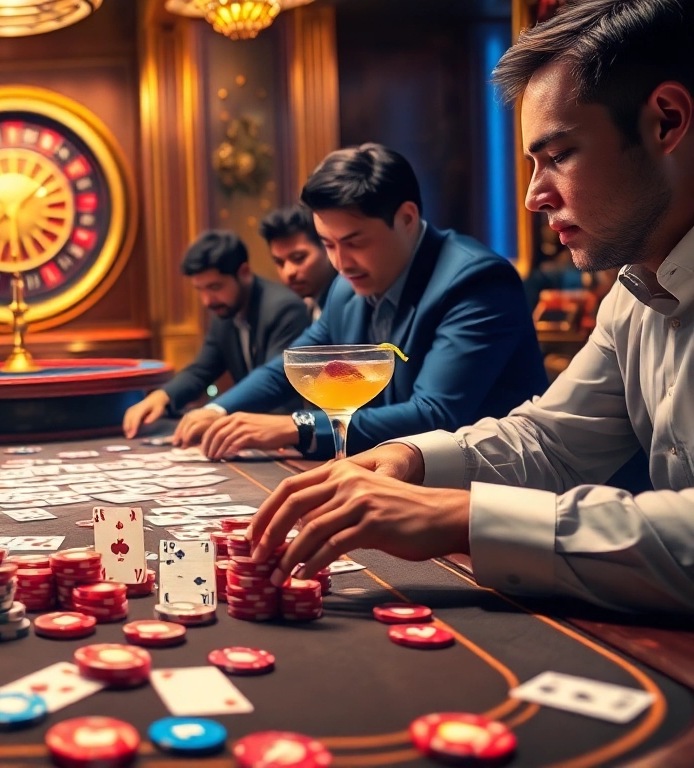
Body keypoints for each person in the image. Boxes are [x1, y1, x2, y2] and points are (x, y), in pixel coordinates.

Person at [247, 0, 694, 615]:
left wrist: (463, 516)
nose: (535, 195)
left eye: (558, 155)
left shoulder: (474, 276)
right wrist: (410, 461)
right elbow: (550, 441)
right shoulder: (633, 288)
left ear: (666, 122)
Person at [174, 144, 548, 460]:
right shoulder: (345, 288)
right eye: (328, 244)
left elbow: (437, 414)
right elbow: (293, 365)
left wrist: (297, 426)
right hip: (392, 480)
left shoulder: (475, 281)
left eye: (354, 242)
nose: (340, 262)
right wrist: (218, 409)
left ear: (406, 218)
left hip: (485, 489)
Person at [123, 230, 310, 438]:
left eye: (214, 287)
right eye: (200, 289)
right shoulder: (225, 313)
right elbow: (201, 370)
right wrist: (162, 396)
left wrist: (214, 412)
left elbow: (275, 382)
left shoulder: (284, 308)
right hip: (247, 431)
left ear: (244, 272)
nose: (207, 301)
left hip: (283, 432)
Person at [261, 205, 338, 321]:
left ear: (328, 247)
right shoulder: (301, 309)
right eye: (279, 262)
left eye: (298, 258)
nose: (288, 272)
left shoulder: (350, 300)